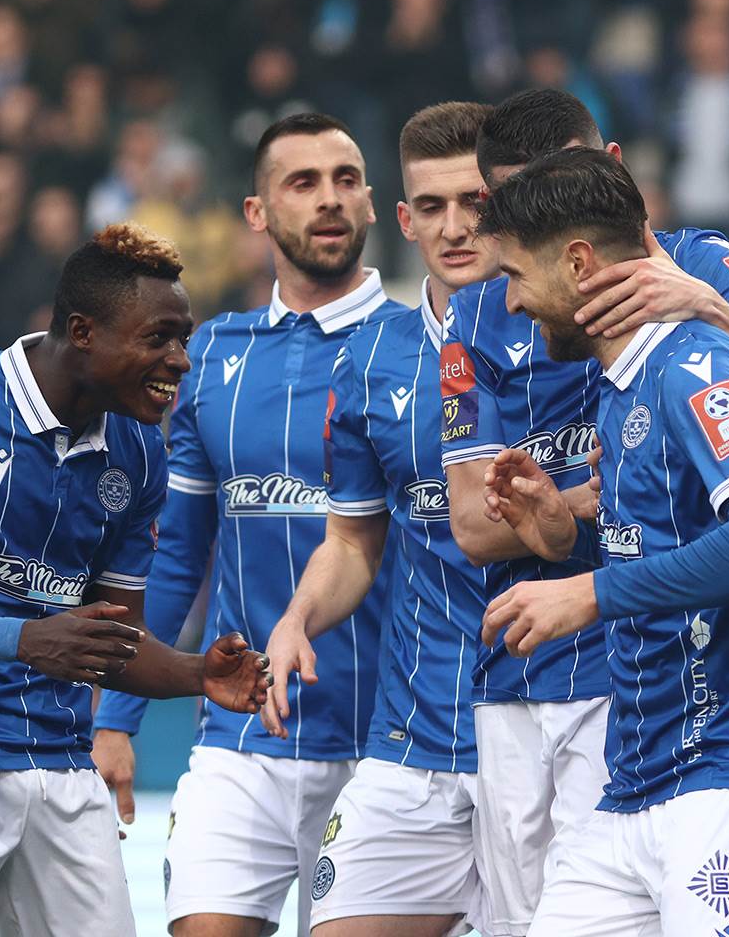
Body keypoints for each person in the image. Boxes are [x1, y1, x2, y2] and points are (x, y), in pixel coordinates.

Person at [443, 87, 729, 936]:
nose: (507, 301)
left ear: (579, 259)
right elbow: (651, 532)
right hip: (638, 778)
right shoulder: (618, 391)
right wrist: (564, 527)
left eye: (515, 275)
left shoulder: (697, 361)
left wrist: (588, 593)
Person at [0, 223, 273, 937]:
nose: (179, 360)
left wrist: (197, 673)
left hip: (60, 757)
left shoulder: (140, 453)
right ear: (83, 332)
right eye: (159, 338)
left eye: (184, 338)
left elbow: (112, 640)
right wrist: (22, 639)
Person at [91, 114, 404, 937]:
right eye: (303, 183)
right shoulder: (211, 358)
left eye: (346, 180)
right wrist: (115, 719)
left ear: (373, 203)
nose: (329, 199)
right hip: (240, 740)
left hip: (391, 748)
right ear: (257, 214)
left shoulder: (421, 348)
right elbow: (175, 558)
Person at [260, 102, 503, 937]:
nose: (455, 227)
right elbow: (354, 539)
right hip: (414, 736)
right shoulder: (369, 357)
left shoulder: (571, 342)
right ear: (403, 220)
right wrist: (298, 617)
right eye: (432, 207)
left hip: (547, 728)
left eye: (475, 203)